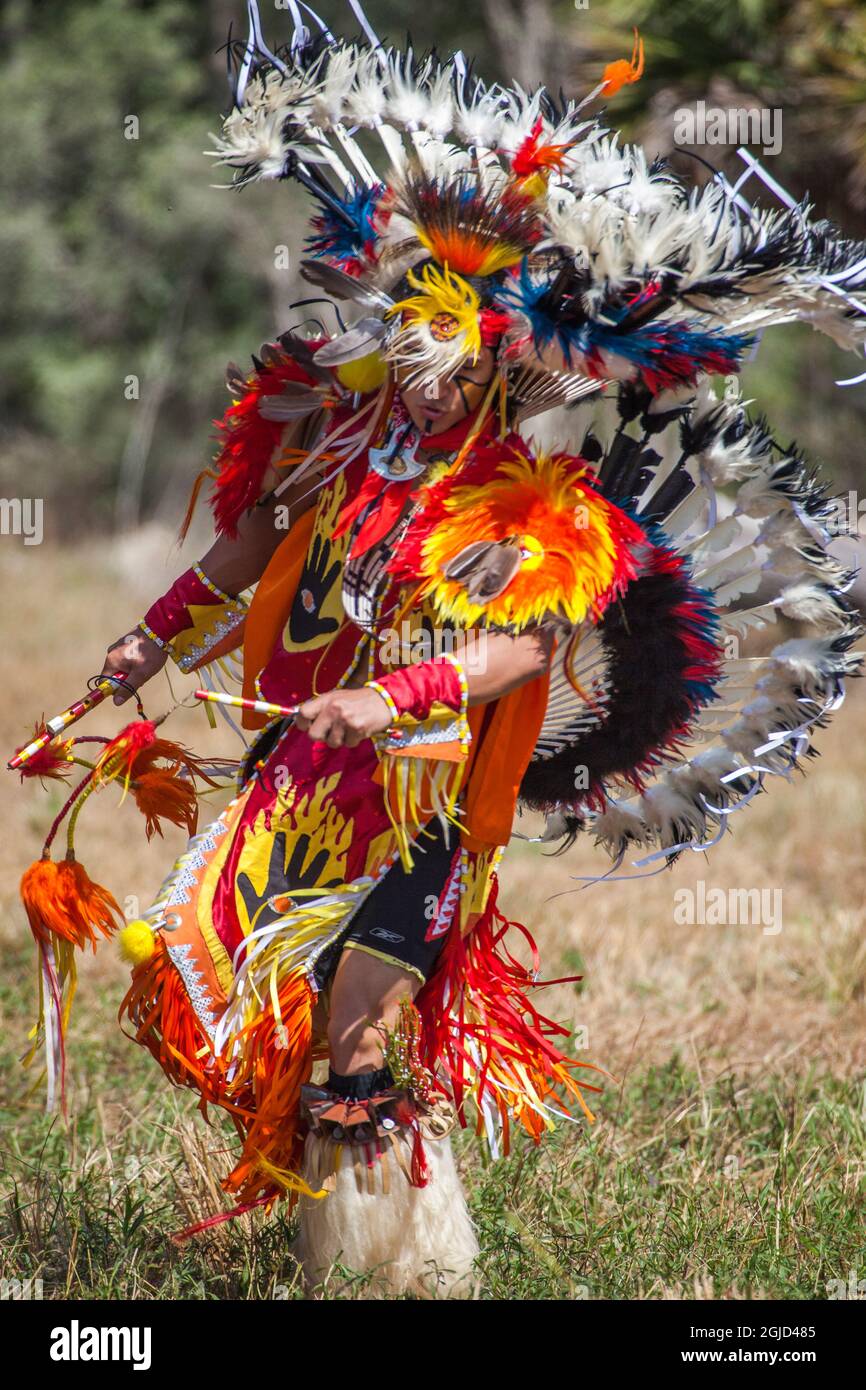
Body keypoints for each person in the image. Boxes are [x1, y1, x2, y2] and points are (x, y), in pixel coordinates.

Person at [16, 2, 866, 1299]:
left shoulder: (524, 501)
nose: (421, 380)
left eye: (447, 359)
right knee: (231, 1008)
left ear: (490, 362)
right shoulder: (323, 438)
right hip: (291, 781)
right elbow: (231, 563)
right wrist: (130, 657)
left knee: (359, 1037)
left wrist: (391, 693)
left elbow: (516, 655)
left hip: (416, 798)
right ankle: (352, 1243)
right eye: (405, 350)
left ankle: (401, 1273)